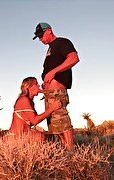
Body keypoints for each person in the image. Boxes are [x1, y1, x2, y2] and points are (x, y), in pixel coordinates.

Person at [32, 22, 80, 150]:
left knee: (63, 123)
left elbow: (74, 58)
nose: (40, 39)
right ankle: (63, 152)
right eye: (38, 37)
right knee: (54, 126)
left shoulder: (62, 42)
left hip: (57, 92)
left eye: (41, 35)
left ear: (49, 30)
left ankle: (71, 153)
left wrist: (53, 72)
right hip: (50, 94)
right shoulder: (50, 49)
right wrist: (46, 87)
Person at [8, 77, 61, 141]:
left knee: (51, 136)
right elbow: (34, 121)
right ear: (29, 87)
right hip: (16, 137)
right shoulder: (24, 100)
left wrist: (47, 93)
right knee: (42, 137)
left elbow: (32, 122)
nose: (39, 85)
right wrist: (51, 109)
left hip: (22, 135)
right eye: (36, 84)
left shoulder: (29, 101)